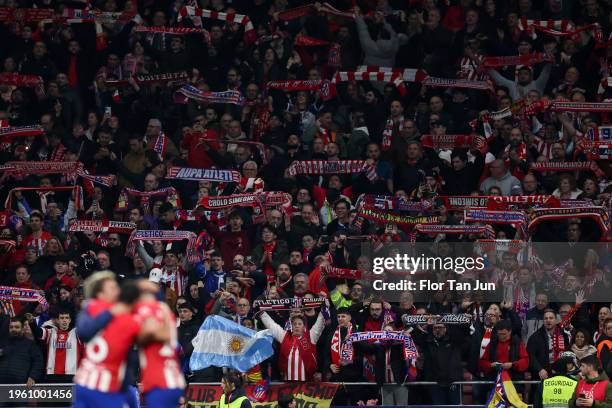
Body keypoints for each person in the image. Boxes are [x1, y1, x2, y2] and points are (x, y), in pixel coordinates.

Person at [73, 280, 170, 408]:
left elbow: (159, 336)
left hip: (109, 386)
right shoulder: (93, 309)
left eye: (116, 287)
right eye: (112, 288)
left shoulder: (127, 319)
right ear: (100, 294)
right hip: (91, 385)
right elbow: (84, 331)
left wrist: (156, 295)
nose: (116, 290)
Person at [259, 310, 325, 381]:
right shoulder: (284, 336)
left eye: (300, 324)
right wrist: (262, 314)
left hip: (307, 381)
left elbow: (319, 325)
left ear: (304, 327)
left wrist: (323, 311)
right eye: (294, 324)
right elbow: (272, 326)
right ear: (291, 326)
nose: (297, 326)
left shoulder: (311, 336)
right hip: (287, 382)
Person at [0, 317, 44, 387]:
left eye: (17, 327)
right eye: (11, 327)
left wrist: (32, 377)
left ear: (23, 329)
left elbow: (38, 361)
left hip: (21, 385)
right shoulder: (2, 343)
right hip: (1, 385)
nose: (13, 329)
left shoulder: (30, 344)